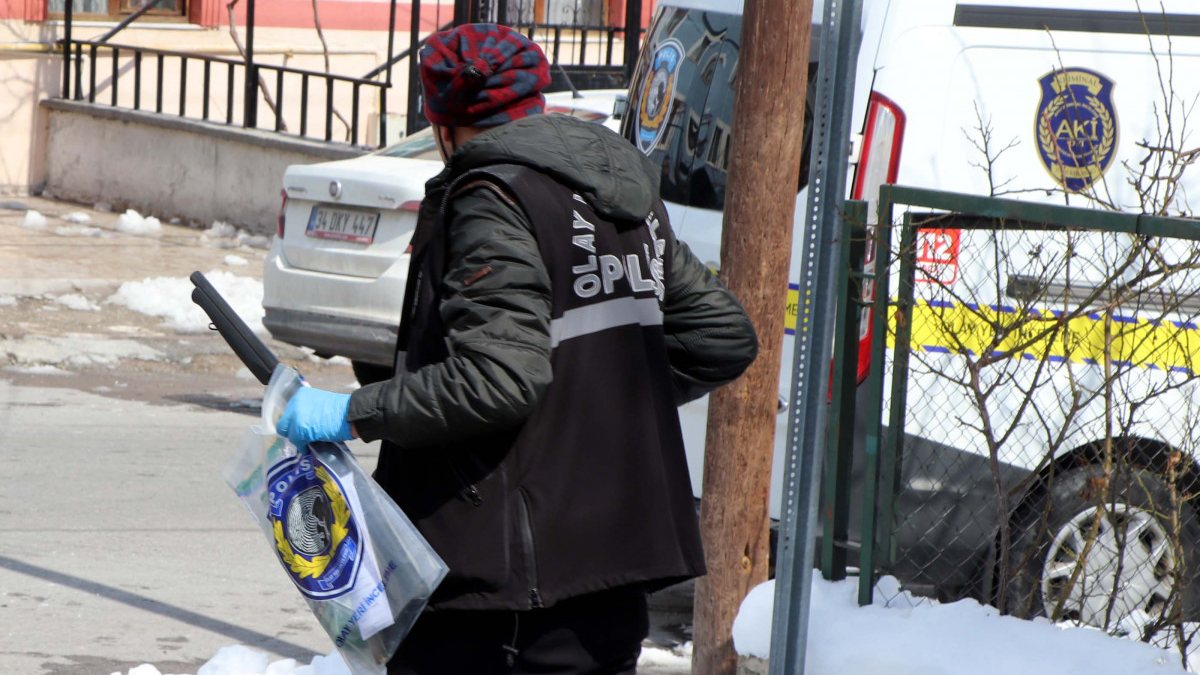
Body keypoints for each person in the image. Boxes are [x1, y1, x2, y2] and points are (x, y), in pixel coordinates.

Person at [276, 22, 758, 675]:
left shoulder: (491, 195)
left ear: (444, 124)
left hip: (500, 594)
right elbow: (720, 337)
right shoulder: (617, 189)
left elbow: (499, 378)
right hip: (614, 564)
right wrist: (592, 403)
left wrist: (351, 411)